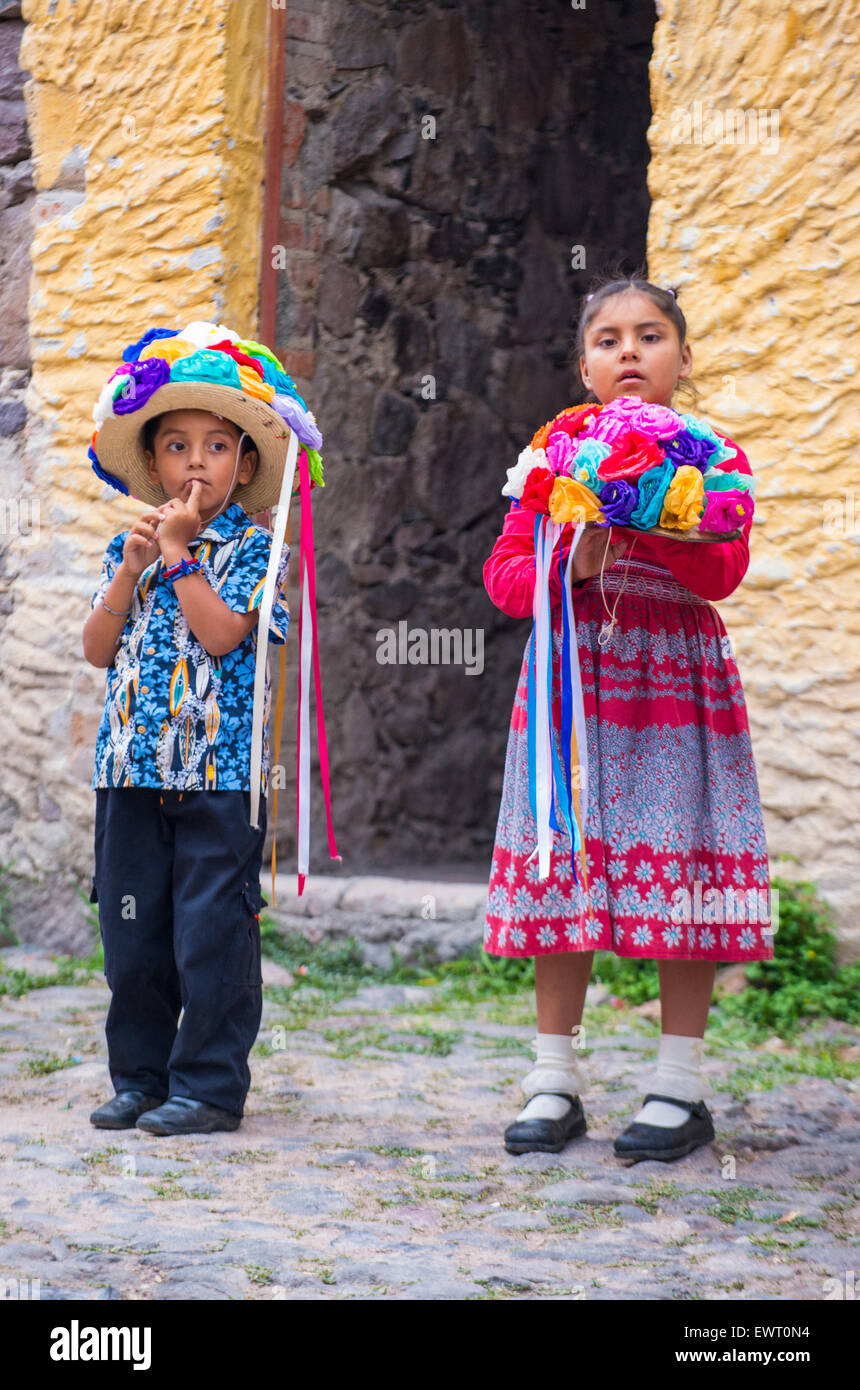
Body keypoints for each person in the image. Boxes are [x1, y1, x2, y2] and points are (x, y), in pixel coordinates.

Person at [482, 274, 773, 1163]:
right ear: (583, 366)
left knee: (677, 864)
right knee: (564, 865)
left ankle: (679, 1088)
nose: (630, 353)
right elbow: (505, 580)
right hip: (573, 686)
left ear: (683, 359)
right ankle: (552, 1077)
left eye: (651, 337)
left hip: (673, 682)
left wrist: (655, 518)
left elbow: (724, 575)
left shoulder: (708, 454)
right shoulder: (553, 455)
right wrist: (579, 556)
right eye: (608, 340)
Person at [82, 320, 325, 1135]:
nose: (195, 462)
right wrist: (131, 568)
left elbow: (224, 636)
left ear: (245, 465)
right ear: (152, 465)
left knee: (209, 932)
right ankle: (140, 1077)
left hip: (217, 777)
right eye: (177, 446)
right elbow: (95, 645)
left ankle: (210, 1087)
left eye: (216, 447)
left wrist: (183, 559)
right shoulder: (131, 544)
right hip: (129, 772)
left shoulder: (258, 551)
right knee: (134, 936)